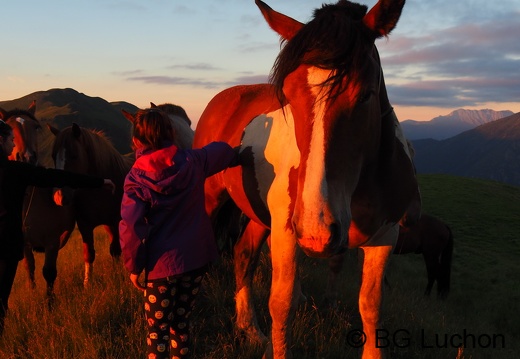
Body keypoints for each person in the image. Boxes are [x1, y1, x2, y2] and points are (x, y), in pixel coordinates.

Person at [119, 108, 238, 359]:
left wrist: (133, 266)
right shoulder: (193, 161)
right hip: (195, 260)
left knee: (157, 331)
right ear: (171, 132)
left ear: (136, 141)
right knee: (181, 324)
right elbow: (224, 151)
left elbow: (131, 226)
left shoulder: (135, 179)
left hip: (160, 268)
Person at [0, 119, 115, 335]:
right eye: (11, 140)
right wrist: (99, 182)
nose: (14, 145)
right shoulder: (15, 171)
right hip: (5, 244)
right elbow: (56, 176)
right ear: (1, 140)